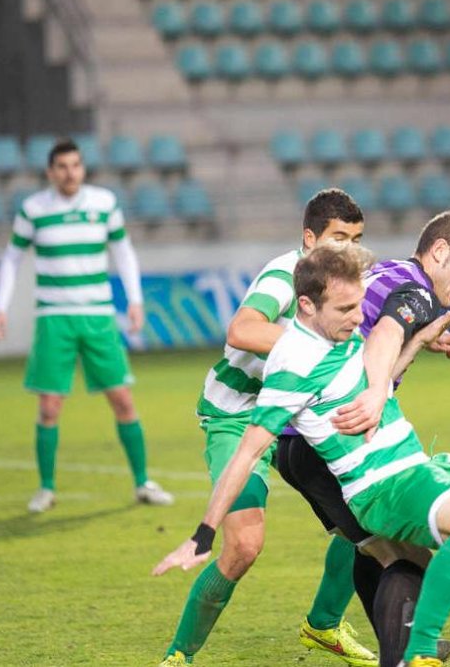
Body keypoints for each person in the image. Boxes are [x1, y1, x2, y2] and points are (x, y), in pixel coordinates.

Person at [154, 243, 450, 667]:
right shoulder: (292, 365)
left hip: (418, 467)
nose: (359, 317)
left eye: (359, 304)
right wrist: (202, 535)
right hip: (383, 487)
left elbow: (370, 385)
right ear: (306, 305)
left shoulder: (337, 334)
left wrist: (419, 341)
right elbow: (247, 453)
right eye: (346, 308)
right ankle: (420, 655)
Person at [159, 189, 377, 667]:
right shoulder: (285, 274)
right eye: (338, 238)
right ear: (309, 238)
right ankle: (180, 656)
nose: (347, 248)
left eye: (355, 239)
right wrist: (310, 344)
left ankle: (323, 624)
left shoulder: (345, 280)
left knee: (362, 513)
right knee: (243, 546)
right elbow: (242, 329)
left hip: (299, 417)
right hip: (237, 412)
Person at [275, 209, 450, 667]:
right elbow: (383, 339)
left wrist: (418, 342)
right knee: (410, 559)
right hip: (329, 442)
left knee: (377, 548)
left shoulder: (391, 272)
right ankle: (406, 653)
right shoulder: (417, 291)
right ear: (439, 251)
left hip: (298, 442)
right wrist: (377, 395)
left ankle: (404, 646)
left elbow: (368, 335)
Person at [0, 138, 173, 513]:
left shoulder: (103, 204)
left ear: (83, 168)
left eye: (75, 165)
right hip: (53, 318)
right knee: (50, 407)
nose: (69, 172)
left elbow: (123, 252)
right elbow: (11, 258)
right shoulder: (34, 209)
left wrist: (134, 299)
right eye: (62, 166)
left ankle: (142, 482)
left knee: (122, 398)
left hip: (98, 316)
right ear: (50, 172)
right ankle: (46, 488)